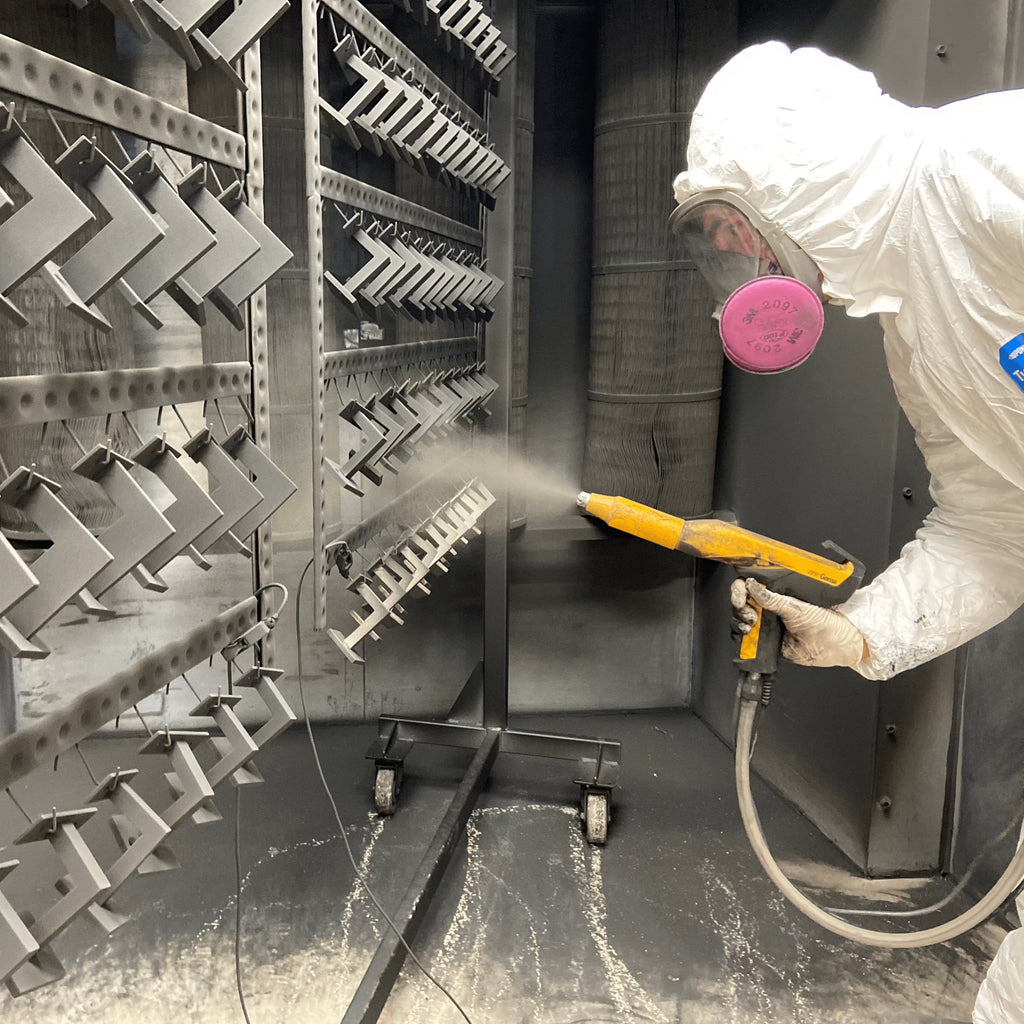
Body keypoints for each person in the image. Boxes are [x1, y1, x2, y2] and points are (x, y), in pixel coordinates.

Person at [672, 41, 1024, 1024]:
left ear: (802, 178)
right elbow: (995, 531)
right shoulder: (919, 331)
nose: (741, 267)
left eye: (738, 234)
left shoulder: (992, 163)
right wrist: (865, 631)